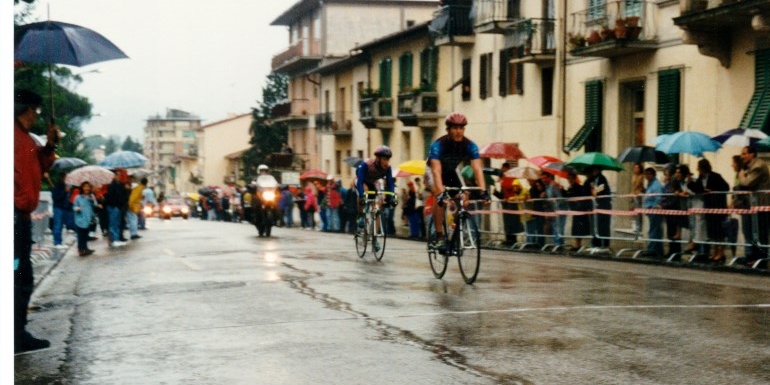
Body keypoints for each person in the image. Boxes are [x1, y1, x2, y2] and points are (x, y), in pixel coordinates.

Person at [14, 88, 57, 353]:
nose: (36, 115)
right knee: (17, 274)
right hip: (14, 215)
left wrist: (50, 145)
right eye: (36, 110)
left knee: (21, 274)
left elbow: (41, 166)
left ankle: (17, 331)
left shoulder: (26, 138)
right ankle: (15, 334)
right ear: (28, 110)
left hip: (21, 216)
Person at [427, 112, 489, 251]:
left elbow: (477, 168)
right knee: (440, 197)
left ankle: (455, 230)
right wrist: (441, 192)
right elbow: (436, 171)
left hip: (450, 171)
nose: (458, 131)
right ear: (448, 130)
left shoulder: (470, 145)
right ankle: (439, 236)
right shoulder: (438, 145)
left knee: (463, 197)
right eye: (454, 128)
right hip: (433, 171)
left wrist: (483, 190)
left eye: (461, 128)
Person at [687, 159, 730, 262]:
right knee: (712, 231)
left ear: (704, 168)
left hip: (717, 206)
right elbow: (698, 189)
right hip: (708, 206)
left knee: (719, 232)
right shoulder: (701, 178)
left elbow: (726, 187)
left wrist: (713, 191)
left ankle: (721, 252)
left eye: (699, 168)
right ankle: (715, 251)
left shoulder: (715, 176)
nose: (698, 170)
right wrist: (689, 183)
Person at [736, 144, 770, 264]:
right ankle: (753, 257)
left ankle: (761, 258)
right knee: (752, 231)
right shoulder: (749, 166)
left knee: (760, 232)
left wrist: (741, 176)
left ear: (752, 154)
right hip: (753, 205)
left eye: (744, 153)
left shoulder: (758, 166)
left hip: (760, 204)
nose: (742, 156)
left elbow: (747, 183)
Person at [354, 145, 397, 227]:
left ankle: (375, 236)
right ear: (378, 158)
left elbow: (390, 183)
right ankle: (360, 215)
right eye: (384, 159)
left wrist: (391, 197)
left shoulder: (388, 167)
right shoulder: (367, 164)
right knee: (364, 190)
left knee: (377, 209)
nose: (386, 162)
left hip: (373, 182)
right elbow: (360, 182)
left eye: (388, 159)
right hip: (361, 180)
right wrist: (362, 196)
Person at [585, 165, 612, 248]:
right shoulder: (592, 180)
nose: (593, 171)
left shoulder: (602, 178)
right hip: (595, 206)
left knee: (603, 226)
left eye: (595, 169)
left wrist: (594, 190)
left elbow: (602, 188)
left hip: (603, 206)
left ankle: (605, 245)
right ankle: (596, 243)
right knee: (595, 226)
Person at [565, 170, 591, 248]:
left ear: (574, 178)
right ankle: (577, 244)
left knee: (580, 228)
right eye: (568, 178)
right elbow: (567, 197)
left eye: (571, 178)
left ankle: (578, 244)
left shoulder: (579, 187)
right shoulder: (570, 188)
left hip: (580, 210)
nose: (569, 180)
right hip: (574, 210)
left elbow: (583, 197)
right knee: (576, 228)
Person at [642, 167, 665, 257]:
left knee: (654, 230)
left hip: (654, 210)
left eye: (648, 174)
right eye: (645, 174)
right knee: (655, 230)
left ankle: (652, 249)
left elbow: (658, 197)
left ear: (652, 174)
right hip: (650, 210)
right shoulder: (650, 184)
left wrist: (654, 206)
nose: (646, 176)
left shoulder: (656, 185)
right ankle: (658, 250)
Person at [104, 169, 129, 247]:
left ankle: (117, 239)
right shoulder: (111, 185)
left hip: (118, 207)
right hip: (113, 206)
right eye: (117, 175)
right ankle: (114, 240)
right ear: (113, 176)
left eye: (119, 175)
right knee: (113, 223)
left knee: (117, 223)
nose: (119, 176)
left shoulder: (119, 184)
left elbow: (123, 195)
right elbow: (111, 197)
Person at [541, 171, 567, 246]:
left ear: (549, 178)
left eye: (545, 178)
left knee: (559, 227)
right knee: (555, 227)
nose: (543, 180)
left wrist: (556, 208)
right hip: (553, 210)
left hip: (560, 209)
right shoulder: (547, 187)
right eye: (542, 178)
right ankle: (556, 243)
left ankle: (558, 244)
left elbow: (560, 198)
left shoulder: (554, 185)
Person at [73, 181, 98, 256]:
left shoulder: (91, 196)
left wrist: (93, 200)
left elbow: (95, 205)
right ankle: (81, 249)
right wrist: (77, 208)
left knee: (86, 234)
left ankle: (85, 248)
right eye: (85, 186)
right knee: (81, 235)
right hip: (80, 219)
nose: (86, 188)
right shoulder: (78, 197)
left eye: (88, 186)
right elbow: (74, 207)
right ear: (82, 188)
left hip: (88, 218)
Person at [51, 173, 75, 249]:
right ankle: (57, 242)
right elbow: (56, 198)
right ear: (62, 178)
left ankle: (61, 241)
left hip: (67, 208)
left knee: (70, 224)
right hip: (58, 208)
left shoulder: (69, 187)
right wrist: (64, 192)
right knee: (58, 225)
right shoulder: (57, 186)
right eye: (65, 178)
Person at [631, 163, 645, 233]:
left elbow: (640, 186)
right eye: (635, 168)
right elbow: (633, 186)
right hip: (634, 195)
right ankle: (635, 226)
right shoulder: (633, 176)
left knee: (639, 211)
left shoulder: (642, 176)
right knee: (634, 211)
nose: (635, 169)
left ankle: (639, 227)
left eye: (637, 168)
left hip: (639, 195)